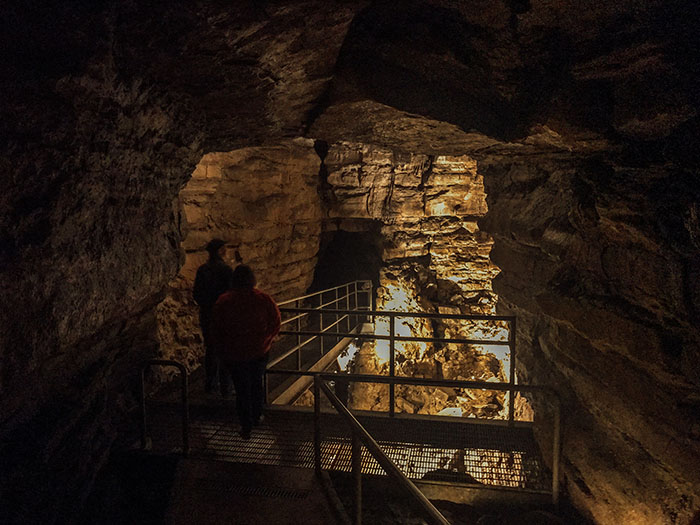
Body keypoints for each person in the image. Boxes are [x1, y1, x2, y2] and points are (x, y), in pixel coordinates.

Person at [211, 265, 281, 439]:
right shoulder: (263, 299)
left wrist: (221, 349)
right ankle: (257, 416)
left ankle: (246, 425)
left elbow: (216, 328)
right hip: (258, 351)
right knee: (256, 384)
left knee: (241, 389)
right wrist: (267, 339)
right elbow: (276, 321)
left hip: (234, 354)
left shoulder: (224, 301)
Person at [193, 238, 235, 395]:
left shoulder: (202, 270)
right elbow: (231, 293)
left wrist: (207, 305)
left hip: (207, 314)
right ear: (219, 251)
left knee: (211, 349)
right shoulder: (226, 270)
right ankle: (226, 386)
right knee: (225, 350)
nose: (226, 251)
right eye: (224, 249)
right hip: (224, 315)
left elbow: (196, 294)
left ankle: (210, 385)